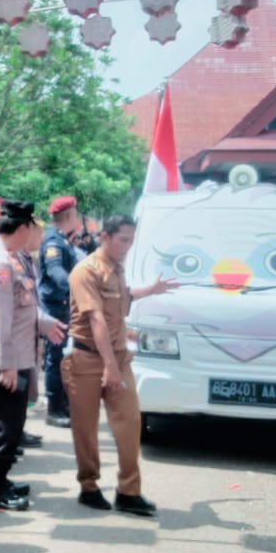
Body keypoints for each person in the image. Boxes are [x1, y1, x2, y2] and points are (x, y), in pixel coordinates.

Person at [64, 217, 171, 518]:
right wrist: (108, 366)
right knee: (85, 429)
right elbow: (96, 319)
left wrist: (151, 290)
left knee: (129, 424)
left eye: (131, 239)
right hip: (87, 360)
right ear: (105, 237)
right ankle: (89, 486)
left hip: (118, 358)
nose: (128, 245)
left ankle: (128, 491)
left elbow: (118, 307)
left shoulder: (117, 269)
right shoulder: (85, 271)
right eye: (124, 239)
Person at [0, 200, 63, 512]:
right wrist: (7, 364)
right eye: (33, 228)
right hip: (7, 361)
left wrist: (45, 323)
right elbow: (0, 319)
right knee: (4, 427)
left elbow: (21, 308)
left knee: (12, 425)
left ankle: (0, 480)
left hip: (20, 356)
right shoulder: (1, 264)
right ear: (24, 227)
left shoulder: (14, 258)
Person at [39, 196, 83, 430]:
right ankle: (54, 410)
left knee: (62, 359)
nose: (76, 218)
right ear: (68, 216)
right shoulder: (54, 241)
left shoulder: (63, 240)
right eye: (75, 214)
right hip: (54, 308)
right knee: (55, 359)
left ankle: (63, 405)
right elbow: (56, 271)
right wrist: (77, 288)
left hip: (62, 307)